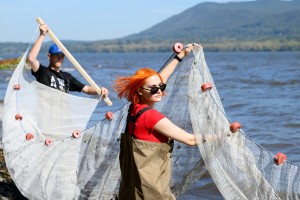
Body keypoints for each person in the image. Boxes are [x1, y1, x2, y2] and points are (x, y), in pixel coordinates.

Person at [114, 44, 210, 200]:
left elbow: (158, 80)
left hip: (131, 189)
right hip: (151, 191)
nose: (159, 91)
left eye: (161, 87)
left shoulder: (134, 108)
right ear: (140, 90)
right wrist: (222, 136)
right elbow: (190, 140)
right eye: (153, 89)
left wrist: (180, 56)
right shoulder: (151, 117)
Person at [28, 23, 108, 96]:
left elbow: (86, 89)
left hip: (62, 111)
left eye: (62, 55)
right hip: (45, 111)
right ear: (49, 56)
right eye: (57, 55)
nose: (60, 58)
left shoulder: (66, 77)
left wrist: (100, 90)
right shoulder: (43, 72)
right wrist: (42, 35)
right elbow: (31, 59)